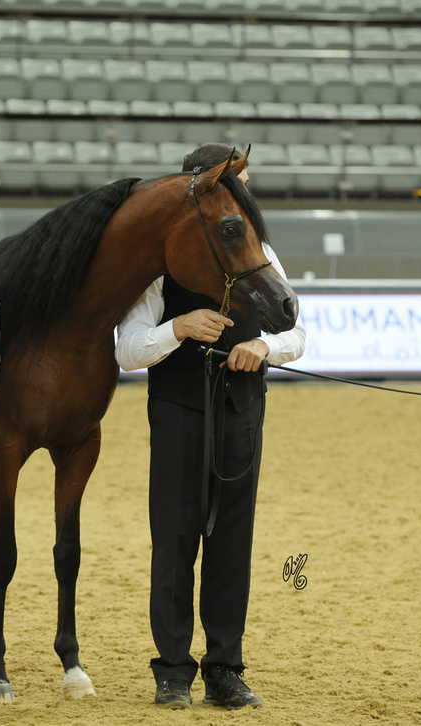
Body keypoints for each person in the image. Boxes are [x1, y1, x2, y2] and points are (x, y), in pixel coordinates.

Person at [115, 143, 306, 711]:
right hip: (177, 410)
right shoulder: (158, 263)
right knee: (173, 541)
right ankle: (172, 669)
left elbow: (298, 334)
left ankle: (225, 667)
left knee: (232, 543)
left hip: (241, 411)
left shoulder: (260, 248)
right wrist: (178, 326)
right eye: (236, 184)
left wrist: (262, 345)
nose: (245, 195)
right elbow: (127, 348)